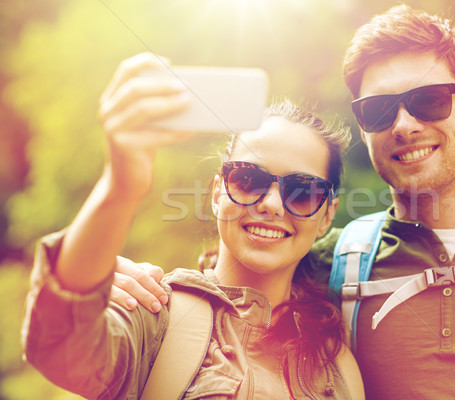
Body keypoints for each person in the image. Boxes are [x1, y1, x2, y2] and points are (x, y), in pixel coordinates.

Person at [113, 4, 455, 400]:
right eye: (380, 109)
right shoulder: (331, 267)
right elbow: (232, 282)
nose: (405, 123)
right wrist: (122, 284)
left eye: (429, 100)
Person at [20, 53, 365, 399]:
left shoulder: (340, 368)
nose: (272, 204)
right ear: (217, 193)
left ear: (327, 216)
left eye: (303, 191)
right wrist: (120, 185)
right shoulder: (153, 315)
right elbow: (58, 347)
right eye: (248, 178)